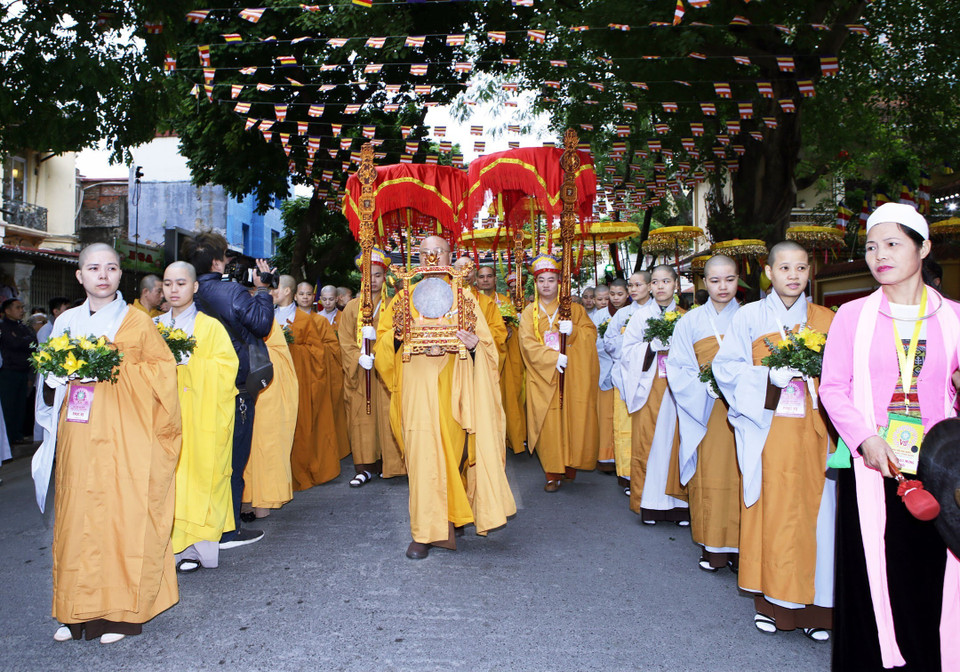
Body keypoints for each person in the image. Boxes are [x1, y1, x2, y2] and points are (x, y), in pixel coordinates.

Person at [820, 202, 960, 670]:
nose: (879, 255)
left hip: (938, 469)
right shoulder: (851, 317)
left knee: (931, 575)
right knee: (871, 575)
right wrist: (864, 438)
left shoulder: (953, 317)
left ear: (924, 248)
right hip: (873, 465)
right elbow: (833, 388)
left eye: (893, 244)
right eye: (871, 247)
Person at [34, 243, 181, 644]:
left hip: (124, 434)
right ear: (79, 275)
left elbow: (163, 374)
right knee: (76, 518)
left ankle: (121, 614)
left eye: (112, 268)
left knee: (121, 516)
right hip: (78, 434)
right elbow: (48, 383)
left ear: (120, 275)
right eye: (94, 268)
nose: (103, 275)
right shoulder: (65, 323)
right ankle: (74, 611)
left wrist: (113, 362)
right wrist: (55, 377)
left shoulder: (138, 323)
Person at [712, 240, 835, 640]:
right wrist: (766, 377)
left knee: (820, 517)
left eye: (801, 268)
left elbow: (843, 377)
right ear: (768, 272)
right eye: (784, 268)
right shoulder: (749, 317)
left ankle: (818, 609)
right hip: (769, 430)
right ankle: (773, 604)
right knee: (775, 514)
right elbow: (725, 368)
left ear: (810, 272)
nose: (793, 276)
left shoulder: (826, 318)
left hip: (816, 432)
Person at [374, 236, 516, 559]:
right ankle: (424, 532)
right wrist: (397, 337)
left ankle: (452, 516)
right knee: (422, 456)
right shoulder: (404, 298)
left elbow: (489, 349)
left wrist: (473, 346)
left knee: (453, 454)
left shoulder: (464, 298)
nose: (431, 258)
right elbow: (383, 346)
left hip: (455, 390)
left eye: (438, 253)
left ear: (450, 258)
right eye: (425, 253)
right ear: (418, 259)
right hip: (415, 390)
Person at [182, 231, 274, 549]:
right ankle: (227, 528)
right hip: (233, 386)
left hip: (193, 386)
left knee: (199, 456)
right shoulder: (230, 291)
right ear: (217, 262)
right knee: (232, 456)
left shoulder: (183, 296)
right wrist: (263, 290)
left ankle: (197, 525)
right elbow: (261, 324)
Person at [157, 262, 238, 573]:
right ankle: (164, 547)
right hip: (165, 417)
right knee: (168, 479)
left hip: (202, 419)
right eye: (168, 283)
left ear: (194, 287)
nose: (174, 289)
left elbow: (228, 370)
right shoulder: (153, 326)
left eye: (181, 283)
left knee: (202, 479)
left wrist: (192, 362)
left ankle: (194, 549)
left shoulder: (211, 327)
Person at [666, 256, 742, 573]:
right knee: (710, 475)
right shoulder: (690, 322)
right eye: (715, 280)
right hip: (706, 410)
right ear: (704, 282)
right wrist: (704, 385)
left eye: (729, 279)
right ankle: (713, 546)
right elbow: (678, 367)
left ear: (738, 280)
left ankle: (743, 547)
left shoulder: (750, 317)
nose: (722, 287)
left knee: (743, 474)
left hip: (744, 411)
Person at [519, 253, 600, 491]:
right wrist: (552, 358)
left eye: (551, 280)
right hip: (542, 375)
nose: (546, 285)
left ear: (559, 283)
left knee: (573, 418)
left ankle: (571, 465)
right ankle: (552, 473)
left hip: (571, 372)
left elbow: (591, 334)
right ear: (535, 283)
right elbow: (526, 343)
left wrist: (574, 331)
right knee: (548, 422)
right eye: (541, 280)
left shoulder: (574, 309)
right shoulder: (529, 312)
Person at [620, 265, 688, 523]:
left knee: (677, 445)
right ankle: (648, 505)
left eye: (666, 281)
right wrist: (650, 348)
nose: (661, 287)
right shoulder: (640, 317)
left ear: (676, 284)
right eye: (656, 282)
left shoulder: (686, 317)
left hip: (678, 391)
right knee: (648, 443)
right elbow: (627, 353)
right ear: (650, 286)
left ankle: (680, 506)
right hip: (649, 388)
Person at [273, 275, 348, 489]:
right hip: (273, 380)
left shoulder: (310, 321)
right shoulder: (268, 316)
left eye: (308, 294)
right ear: (295, 295)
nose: (305, 297)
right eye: (302, 294)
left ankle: (300, 469)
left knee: (302, 426)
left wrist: (293, 348)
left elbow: (322, 351)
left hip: (302, 380)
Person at [338, 248, 404, 487]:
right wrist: (358, 357)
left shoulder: (395, 304)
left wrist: (382, 341)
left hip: (386, 372)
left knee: (389, 415)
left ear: (384, 277)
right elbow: (345, 340)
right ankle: (365, 467)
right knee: (362, 418)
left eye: (377, 275)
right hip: (361, 371)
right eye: (368, 276)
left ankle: (393, 465)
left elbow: (403, 335)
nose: (373, 280)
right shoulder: (352, 307)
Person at [243, 315, 297, 521]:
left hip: (267, 390)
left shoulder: (265, 319)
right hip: (240, 387)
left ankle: (263, 502)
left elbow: (278, 354)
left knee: (267, 445)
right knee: (244, 447)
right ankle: (244, 501)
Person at [605, 271, 651, 494]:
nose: (633, 289)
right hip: (624, 376)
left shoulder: (658, 313)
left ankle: (651, 474)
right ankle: (628, 474)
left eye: (638, 285)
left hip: (650, 378)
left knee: (649, 426)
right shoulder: (623, 314)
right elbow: (609, 343)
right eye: (630, 285)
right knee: (625, 426)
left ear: (650, 286)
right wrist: (628, 340)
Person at [478, 264, 527, 454]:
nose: (485, 280)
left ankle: (512, 438)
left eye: (489, 276)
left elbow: (516, 327)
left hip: (505, 356)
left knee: (509, 396)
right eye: (482, 276)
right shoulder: (473, 301)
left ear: (495, 279)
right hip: (482, 357)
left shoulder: (505, 301)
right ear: (477, 280)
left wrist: (509, 329)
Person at [594, 279, 629, 473]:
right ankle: (606, 456)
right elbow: (594, 342)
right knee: (606, 415)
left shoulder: (633, 313)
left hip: (626, 370)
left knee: (624, 416)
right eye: (612, 295)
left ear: (627, 294)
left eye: (620, 294)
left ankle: (625, 456)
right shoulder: (600, 315)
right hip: (605, 367)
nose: (615, 298)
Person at [454, 257, 508, 370]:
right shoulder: (446, 298)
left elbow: (499, 332)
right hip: (452, 355)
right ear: (453, 272)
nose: (465, 273)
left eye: (469, 269)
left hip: (479, 357)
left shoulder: (487, 301)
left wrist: (478, 337)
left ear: (474, 275)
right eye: (460, 268)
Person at [0, 297, 36, 443]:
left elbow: (33, 342)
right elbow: (13, 343)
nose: (21, 311)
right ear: (7, 310)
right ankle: (8, 437)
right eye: (17, 308)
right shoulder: (3, 327)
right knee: (8, 404)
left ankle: (18, 435)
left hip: (24, 371)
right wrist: (24, 341)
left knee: (21, 405)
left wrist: (23, 341)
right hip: (9, 371)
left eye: (22, 308)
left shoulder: (23, 327)